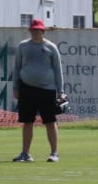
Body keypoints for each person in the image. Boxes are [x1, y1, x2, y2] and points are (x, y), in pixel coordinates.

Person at [12, 19, 64, 162]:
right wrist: (15, 87)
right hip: (26, 89)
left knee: (50, 121)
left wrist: (61, 92)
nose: (36, 32)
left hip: (47, 89)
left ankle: (54, 153)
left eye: (38, 30)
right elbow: (17, 68)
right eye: (33, 30)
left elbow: (58, 70)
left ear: (43, 31)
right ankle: (25, 154)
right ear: (30, 31)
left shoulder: (51, 47)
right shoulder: (23, 46)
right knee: (27, 122)